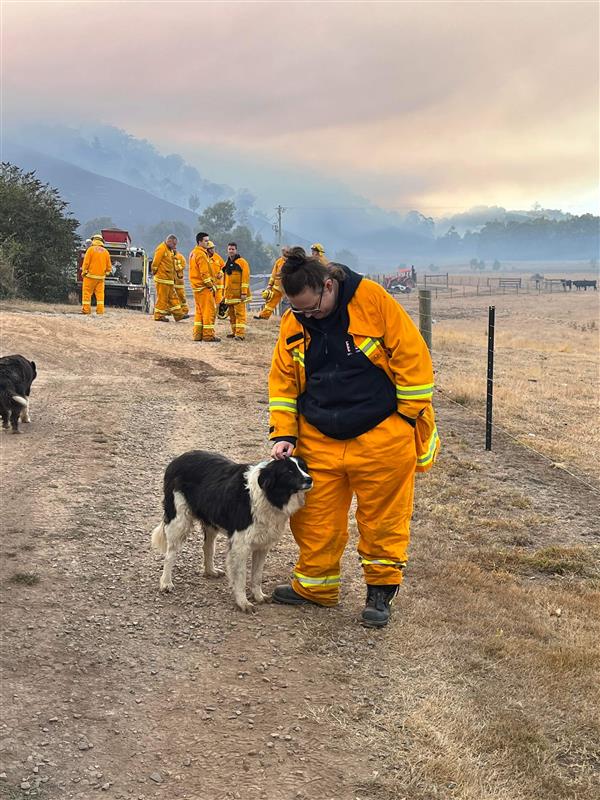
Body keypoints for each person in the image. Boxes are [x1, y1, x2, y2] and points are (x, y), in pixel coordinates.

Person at [268, 248, 439, 628]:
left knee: (383, 520)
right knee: (313, 518)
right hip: (318, 436)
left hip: (381, 434)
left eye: (313, 308)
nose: (308, 316)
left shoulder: (374, 302)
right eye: (300, 312)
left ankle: (380, 592)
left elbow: (413, 358)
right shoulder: (294, 321)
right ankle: (315, 587)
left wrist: (406, 421)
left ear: (329, 286)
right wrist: (284, 433)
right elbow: (282, 382)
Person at [189, 232, 220, 342]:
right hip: (204, 288)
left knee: (199, 312)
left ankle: (197, 335)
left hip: (196, 287)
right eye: (206, 241)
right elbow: (204, 273)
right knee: (209, 312)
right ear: (200, 242)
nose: (208, 243)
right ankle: (208, 336)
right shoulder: (201, 254)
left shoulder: (193, 253)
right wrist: (211, 285)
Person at [151, 235, 186, 322]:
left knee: (173, 298)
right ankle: (159, 315)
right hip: (162, 279)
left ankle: (178, 315)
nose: (175, 246)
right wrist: (155, 272)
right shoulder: (161, 248)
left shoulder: (169, 250)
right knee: (162, 298)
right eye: (174, 244)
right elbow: (155, 263)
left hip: (169, 280)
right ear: (169, 241)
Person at [223, 242, 251, 340]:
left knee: (240, 314)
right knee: (232, 315)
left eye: (233, 249)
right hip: (229, 295)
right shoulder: (226, 263)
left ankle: (240, 334)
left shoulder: (242, 262)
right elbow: (225, 279)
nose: (231, 251)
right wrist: (224, 294)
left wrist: (244, 292)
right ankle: (234, 332)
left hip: (239, 295)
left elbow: (245, 278)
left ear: (236, 250)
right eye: (229, 249)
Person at [254, 246, 289, 320]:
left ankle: (285, 319)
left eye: (285, 252)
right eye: (283, 252)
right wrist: (270, 284)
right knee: (270, 303)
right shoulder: (279, 261)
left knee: (287, 304)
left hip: (287, 288)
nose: (283, 254)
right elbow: (273, 274)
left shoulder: (292, 262)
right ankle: (264, 315)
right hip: (277, 287)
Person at [81, 234, 112, 315]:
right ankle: (100, 311)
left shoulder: (90, 250)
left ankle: (86, 310)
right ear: (102, 241)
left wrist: (84, 272)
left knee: (87, 293)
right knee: (100, 295)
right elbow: (109, 266)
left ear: (93, 240)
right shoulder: (106, 252)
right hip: (100, 278)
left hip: (89, 277)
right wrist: (106, 273)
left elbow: (86, 262)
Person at [207, 241, 225, 306]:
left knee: (219, 302)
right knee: (210, 303)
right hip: (210, 285)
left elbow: (224, 267)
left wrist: (221, 272)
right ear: (207, 250)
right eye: (211, 248)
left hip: (219, 285)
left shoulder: (217, 257)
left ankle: (219, 315)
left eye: (213, 248)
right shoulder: (204, 258)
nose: (213, 250)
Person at [173, 249, 190, 318]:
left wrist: (176, 267)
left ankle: (184, 311)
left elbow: (183, 265)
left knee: (181, 296)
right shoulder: (169, 256)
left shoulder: (180, 257)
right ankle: (173, 311)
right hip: (171, 280)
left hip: (179, 280)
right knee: (172, 297)